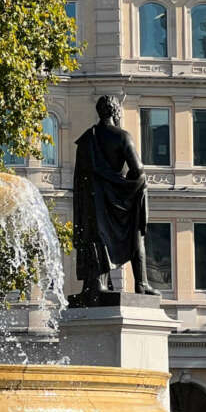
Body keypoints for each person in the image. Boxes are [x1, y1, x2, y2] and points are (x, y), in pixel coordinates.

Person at [70, 94, 158, 304]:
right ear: (116, 111)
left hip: (92, 201)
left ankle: (94, 284)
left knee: (95, 239)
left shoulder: (86, 140)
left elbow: (80, 178)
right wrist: (127, 187)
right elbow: (138, 169)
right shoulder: (122, 136)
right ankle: (141, 284)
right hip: (116, 198)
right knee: (136, 233)